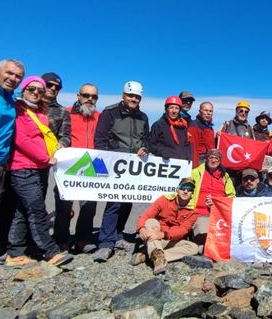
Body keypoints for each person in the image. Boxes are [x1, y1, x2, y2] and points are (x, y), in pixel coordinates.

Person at [5, 76, 74, 267]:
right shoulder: (18, 110)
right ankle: (50, 251)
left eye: (40, 91)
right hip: (23, 167)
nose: (36, 93)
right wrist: (46, 158)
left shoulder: (40, 113)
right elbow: (21, 140)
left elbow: (52, 137)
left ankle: (15, 251)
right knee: (37, 210)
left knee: (23, 210)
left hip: (39, 168)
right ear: (23, 89)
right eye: (32, 89)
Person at [92, 81, 150, 262]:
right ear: (123, 95)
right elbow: (100, 139)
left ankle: (118, 236)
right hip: (114, 165)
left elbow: (146, 140)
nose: (133, 99)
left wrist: (145, 148)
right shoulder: (110, 113)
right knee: (114, 203)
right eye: (130, 95)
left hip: (133, 168)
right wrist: (106, 162)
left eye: (137, 97)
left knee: (128, 202)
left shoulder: (143, 117)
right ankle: (105, 243)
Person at [0, 59, 24, 258]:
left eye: (18, 76)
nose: (13, 78)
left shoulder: (10, 98)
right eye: (9, 73)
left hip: (1, 163)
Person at [132, 177, 199, 274]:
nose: (185, 191)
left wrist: (163, 234)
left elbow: (183, 230)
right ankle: (159, 261)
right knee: (151, 221)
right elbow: (146, 215)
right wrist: (141, 228)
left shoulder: (193, 211)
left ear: (192, 194)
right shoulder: (164, 199)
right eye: (183, 188)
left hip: (170, 239)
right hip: (154, 237)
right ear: (177, 190)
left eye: (189, 190)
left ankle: (148, 256)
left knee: (193, 248)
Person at [65, 83, 101, 253]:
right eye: (86, 95)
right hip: (68, 167)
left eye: (94, 96)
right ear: (78, 96)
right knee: (64, 204)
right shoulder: (66, 113)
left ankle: (83, 239)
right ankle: (61, 240)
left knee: (88, 207)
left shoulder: (100, 116)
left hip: (91, 167)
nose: (90, 99)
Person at [40, 72, 73, 251]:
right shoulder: (23, 105)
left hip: (50, 162)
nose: (53, 88)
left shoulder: (61, 111)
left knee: (42, 201)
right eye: (49, 84)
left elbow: (65, 134)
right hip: (20, 162)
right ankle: (13, 244)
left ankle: (58, 240)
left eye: (57, 87)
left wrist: (61, 146)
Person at [189, 149, 236, 252]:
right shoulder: (196, 173)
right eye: (211, 158)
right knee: (203, 242)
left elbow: (231, 196)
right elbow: (186, 191)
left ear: (220, 161)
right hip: (200, 213)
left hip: (219, 215)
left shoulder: (225, 176)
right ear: (206, 159)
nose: (213, 160)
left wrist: (217, 202)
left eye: (216, 158)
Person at [148, 96, 192, 161]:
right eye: (171, 108)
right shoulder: (158, 125)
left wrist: (188, 155)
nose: (174, 111)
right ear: (166, 109)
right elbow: (151, 145)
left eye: (176, 108)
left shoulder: (183, 126)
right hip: (164, 163)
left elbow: (187, 144)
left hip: (180, 163)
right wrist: (162, 151)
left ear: (179, 110)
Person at [189, 101, 215, 166]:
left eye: (210, 111)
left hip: (209, 159)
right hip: (199, 160)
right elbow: (193, 148)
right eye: (206, 110)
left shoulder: (210, 127)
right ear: (200, 111)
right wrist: (195, 167)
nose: (208, 113)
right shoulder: (194, 126)